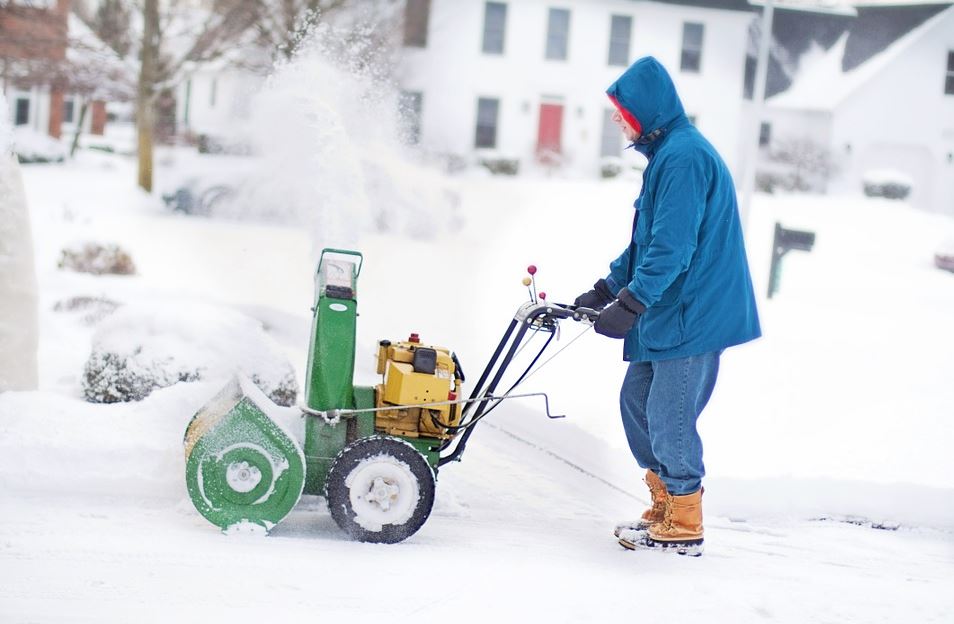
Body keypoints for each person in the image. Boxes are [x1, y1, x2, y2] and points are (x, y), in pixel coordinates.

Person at [574, 56, 761, 556]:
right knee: (637, 402)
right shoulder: (668, 155)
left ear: (647, 110)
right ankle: (664, 504)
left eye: (622, 109)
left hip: (695, 310)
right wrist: (607, 287)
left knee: (669, 413)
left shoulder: (683, 158)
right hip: (672, 304)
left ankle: (684, 523)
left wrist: (631, 303)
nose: (617, 118)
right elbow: (649, 240)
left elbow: (672, 249)